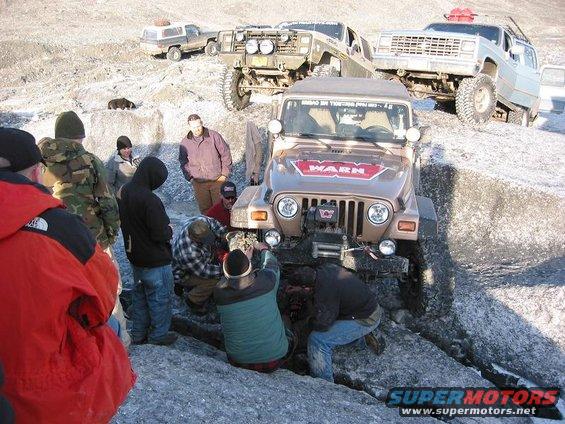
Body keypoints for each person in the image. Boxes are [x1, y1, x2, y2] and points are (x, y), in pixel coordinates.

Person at [0, 128, 135, 423]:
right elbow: (101, 298)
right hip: (42, 388)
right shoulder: (60, 228)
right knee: (110, 325)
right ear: (37, 173)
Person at [38, 111, 130, 347]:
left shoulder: (40, 162)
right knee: (108, 289)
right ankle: (118, 342)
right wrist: (110, 236)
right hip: (92, 239)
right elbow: (107, 202)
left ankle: (74, 343)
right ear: (79, 137)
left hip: (53, 242)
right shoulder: (89, 161)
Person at [118, 157, 177, 345]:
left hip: (135, 256)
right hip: (155, 259)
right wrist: (170, 229)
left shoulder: (125, 191)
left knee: (140, 296)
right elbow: (160, 234)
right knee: (160, 298)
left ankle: (138, 333)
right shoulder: (150, 200)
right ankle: (159, 336)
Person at [291, 264, 385, 383]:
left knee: (318, 339)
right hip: (365, 308)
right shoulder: (325, 269)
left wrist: (306, 324)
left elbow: (323, 324)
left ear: (306, 288)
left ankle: (323, 382)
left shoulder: (326, 292)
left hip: (365, 318)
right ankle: (360, 338)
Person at [214, 244, 291, 372]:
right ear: (249, 268)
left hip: (238, 360)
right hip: (274, 359)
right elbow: (271, 264)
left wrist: (245, 262)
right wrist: (263, 250)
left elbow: (233, 278)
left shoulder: (219, 292)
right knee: (286, 319)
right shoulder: (267, 281)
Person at [172, 216, 227, 315]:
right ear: (195, 239)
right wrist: (225, 269)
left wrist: (225, 237)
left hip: (198, 262)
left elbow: (215, 224)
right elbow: (205, 271)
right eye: (205, 240)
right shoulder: (189, 252)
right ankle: (193, 300)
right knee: (215, 279)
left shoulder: (202, 222)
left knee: (214, 248)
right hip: (185, 273)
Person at [178, 114, 233, 213]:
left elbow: (225, 153)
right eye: (194, 127)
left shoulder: (214, 136)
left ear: (202, 123)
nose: (197, 129)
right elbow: (183, 161)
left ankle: (222, 228)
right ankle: (209, 228)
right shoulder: (185, 142)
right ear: (189, 127)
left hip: (217, 181)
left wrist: (224, 174)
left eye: (198, 126)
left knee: (221, 209)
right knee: (205, 211)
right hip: (199, 184)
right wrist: (190, 177)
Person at [245, 121, 263, 185]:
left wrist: (256, 171)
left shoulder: (256, 141)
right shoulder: (253, 139)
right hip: (253, 170)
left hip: (255, 170)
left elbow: (258, 154)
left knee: (254, 185)